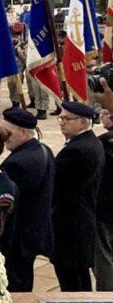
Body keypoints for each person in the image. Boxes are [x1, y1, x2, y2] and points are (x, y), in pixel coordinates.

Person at [0, 108, 55, 292]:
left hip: (17, 235)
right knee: (23, 278)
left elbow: (3, 197)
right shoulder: (43, 150)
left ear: (23, 132)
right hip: (32, 231)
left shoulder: (17, 163)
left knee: (14, 285)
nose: (4, 137)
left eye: (8, 132)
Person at [52, 100, 105, 291]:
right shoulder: (88, 142)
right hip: (79, 221)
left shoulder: (78, 150)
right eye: (61, 118)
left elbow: (54, 179)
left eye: (67, 119)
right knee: (79, 276)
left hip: (71, 224)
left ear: (83, 122)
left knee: (71, 280)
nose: (62, 122)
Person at [96, 108, 113, 290]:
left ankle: (107, 296)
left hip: (105, 208)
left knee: (105, 258)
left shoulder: (102, 143)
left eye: (106, 112)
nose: (101, 115)